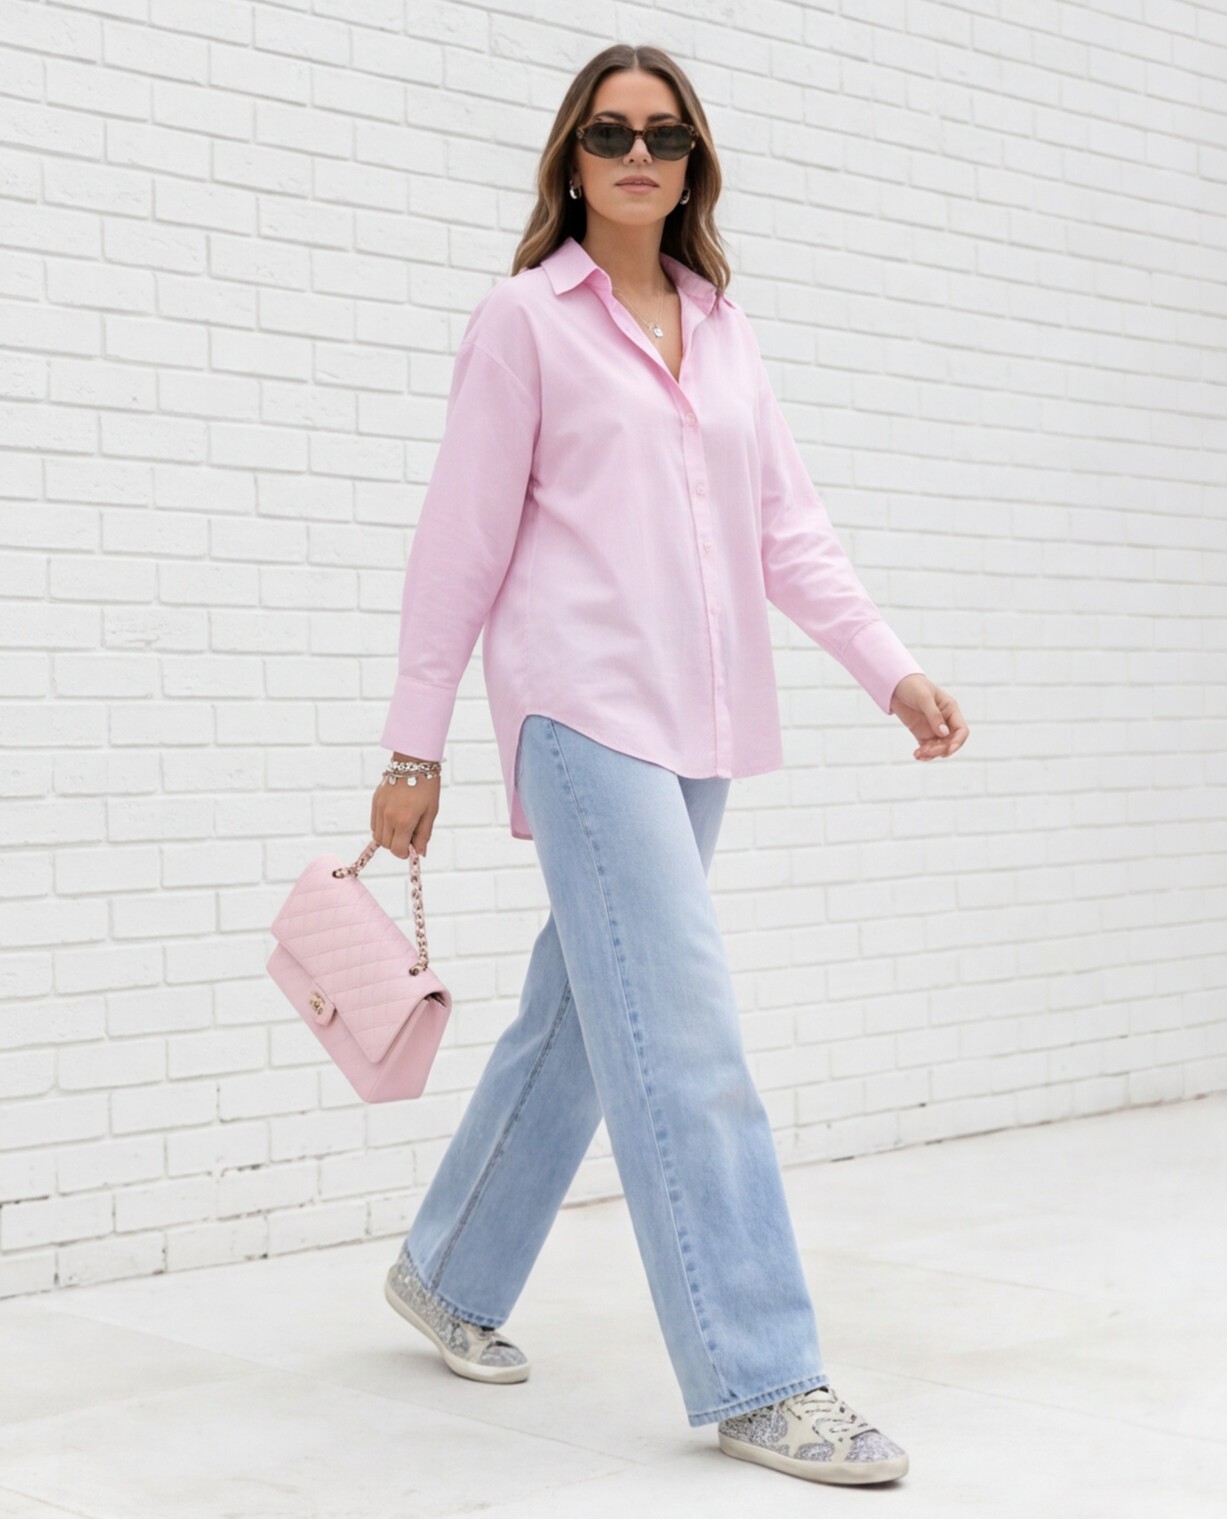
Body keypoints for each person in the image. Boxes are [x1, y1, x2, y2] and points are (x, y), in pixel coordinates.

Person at [371, 43, 968, 1489]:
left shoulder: (724, 327)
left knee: (584, 1014)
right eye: (609, 132)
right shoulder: (522, 324)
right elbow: (458, 545)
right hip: (582, 717)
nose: (638, 155)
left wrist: (889, 667)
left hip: (699, 725)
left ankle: (448, 1268)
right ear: (570, 159)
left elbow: (789, 536)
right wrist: (413, 741)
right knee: (686, 1039)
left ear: (693, 163)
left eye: (666, 135)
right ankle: (764, 1372)